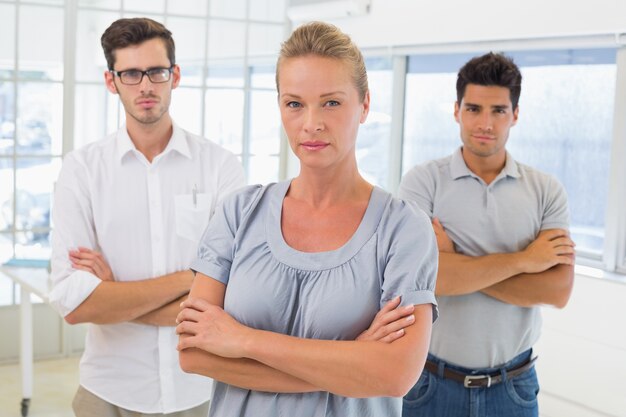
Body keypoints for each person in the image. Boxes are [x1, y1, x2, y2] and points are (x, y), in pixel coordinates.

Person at [174, 21, 439, 417]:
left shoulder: (403, 229)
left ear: (364, 105)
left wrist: (243, 340)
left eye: (331, 102)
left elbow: (396, 374)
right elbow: (194, 354)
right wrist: (353, 362)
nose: (311, 123)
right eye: (294, 103)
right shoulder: (239, 212)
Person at [48, 17, 246, 417]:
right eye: (131, 74)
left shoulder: (220, 167)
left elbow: (235, 293)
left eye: (155, 72)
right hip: (108, 393)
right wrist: (193, 277)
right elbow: (74, 304)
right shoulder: (82, 170)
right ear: (111, 81)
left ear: (174, 76)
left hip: (200, 392)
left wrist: (114, 293)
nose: (145, 86)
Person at [398, 52, 576, 417]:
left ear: (515, 115)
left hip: (512, 388)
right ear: (456, 110)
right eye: (474, 108)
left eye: (498, 110)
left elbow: (556, 292)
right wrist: (525, 262)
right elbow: (422, 279)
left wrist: (453, 263)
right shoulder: (423, 182)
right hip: (430, 383)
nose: (485, 123)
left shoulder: (546, 190)